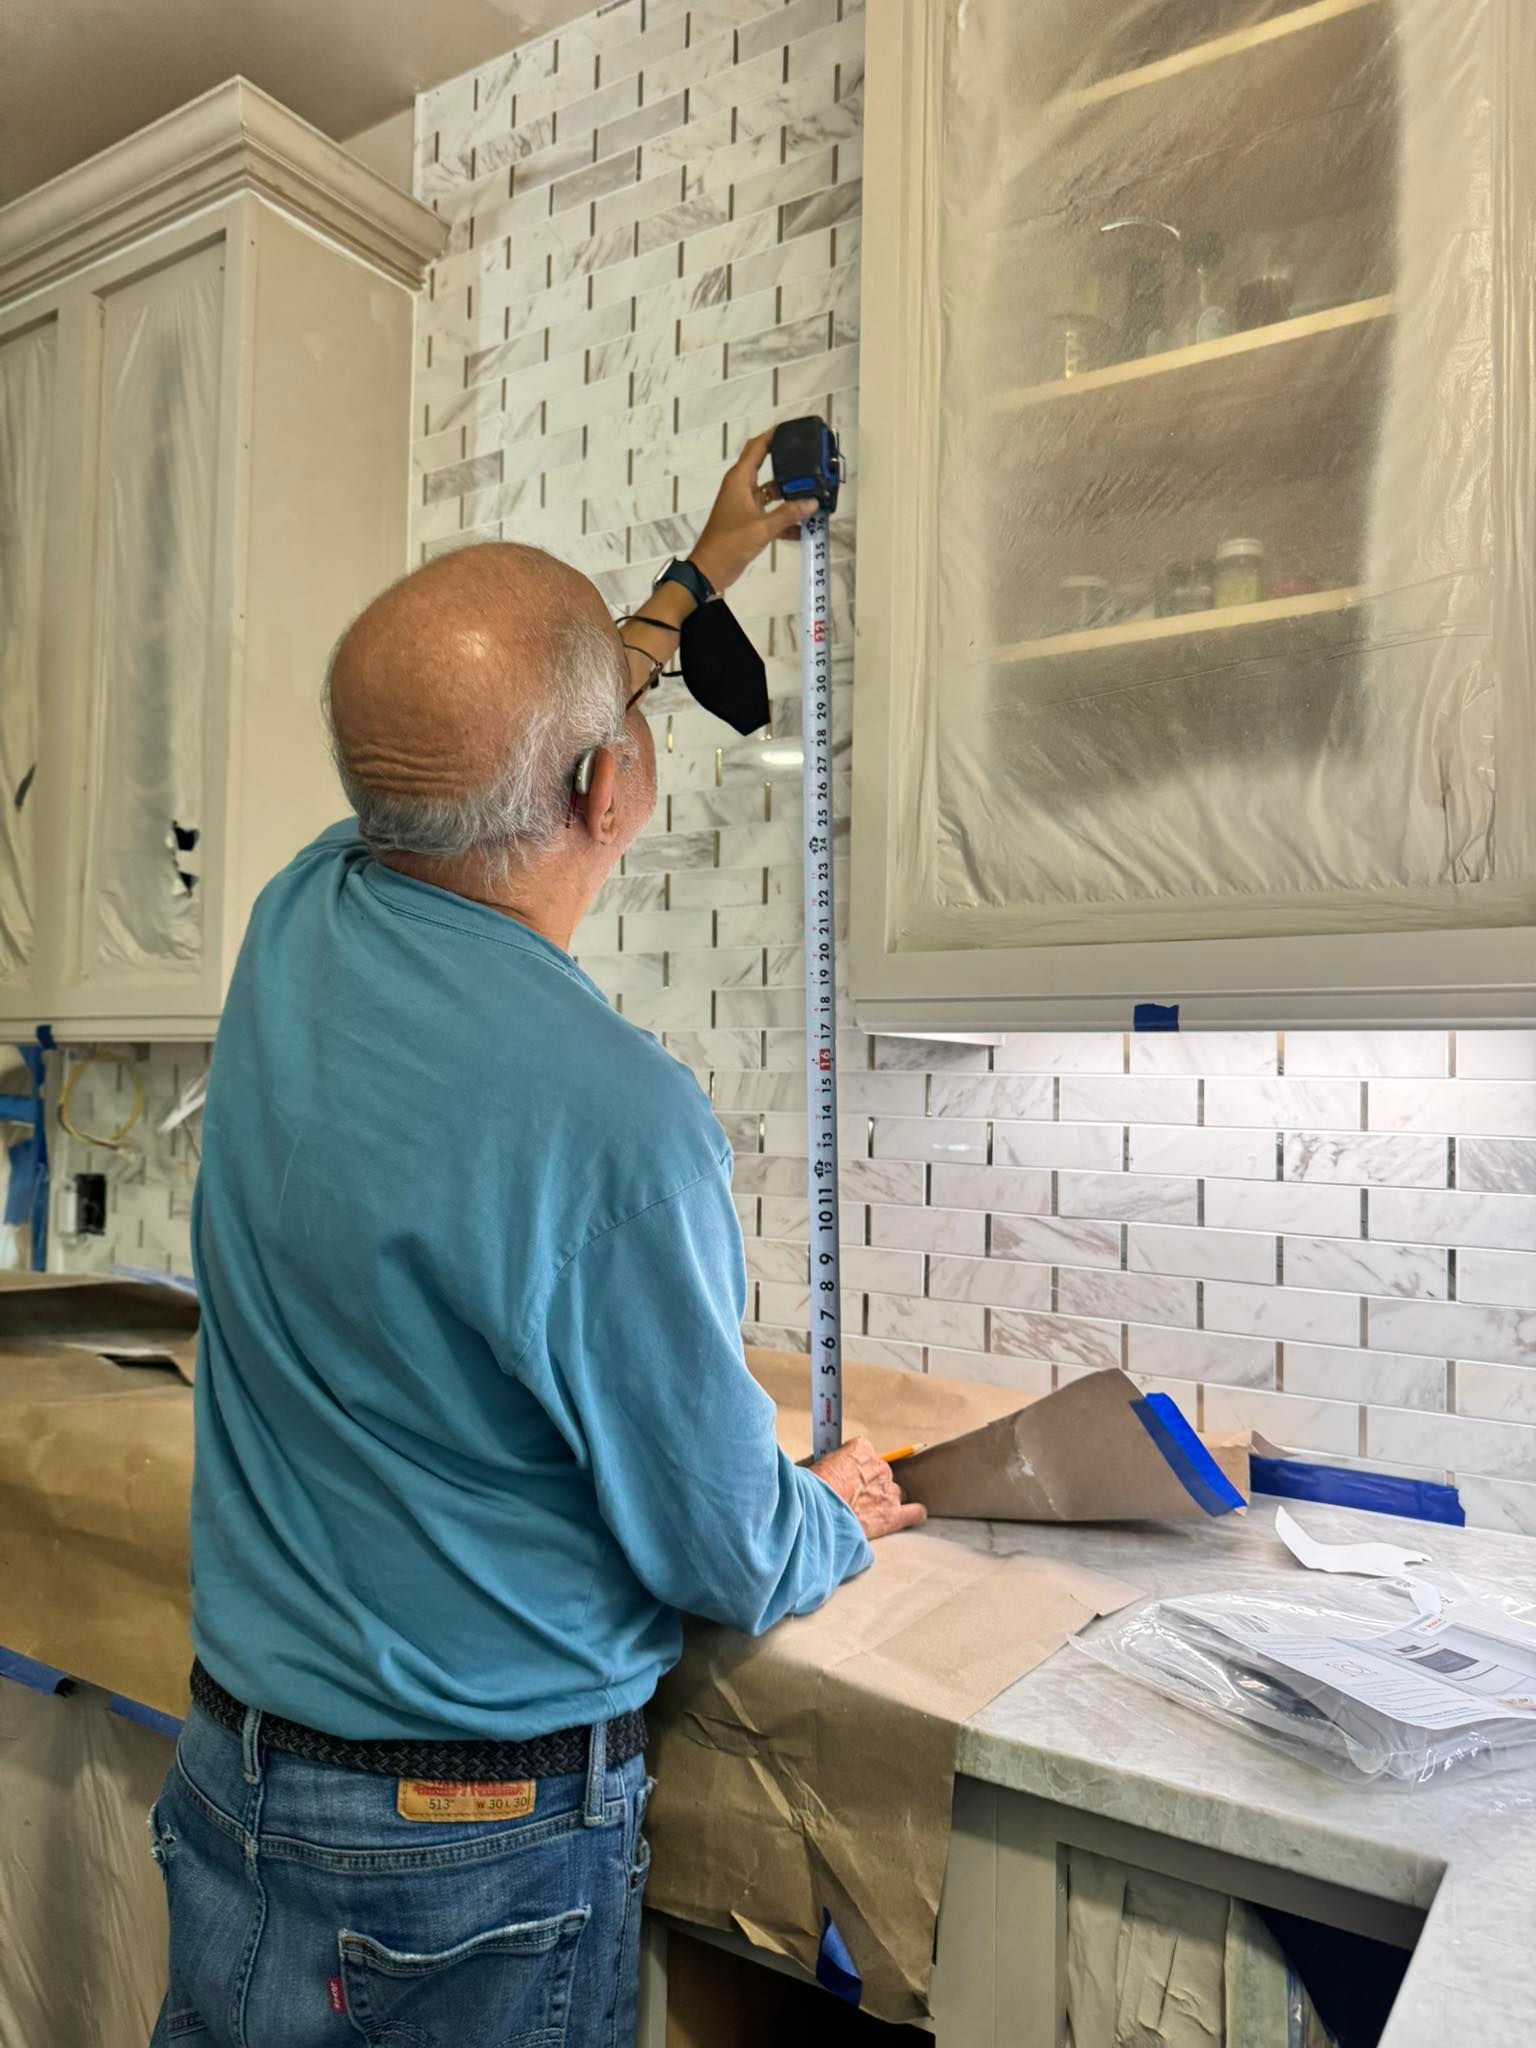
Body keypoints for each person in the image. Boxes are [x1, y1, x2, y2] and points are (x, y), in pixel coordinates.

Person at [148, 433, 923, 2048]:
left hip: (239, 1781)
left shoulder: (301, 913)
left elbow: (475, 749)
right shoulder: (617, 1118)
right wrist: (828, 1512)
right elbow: (721, 1542)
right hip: (463, 1864)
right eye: (629, 722)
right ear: (609, 790)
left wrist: (693, 582)